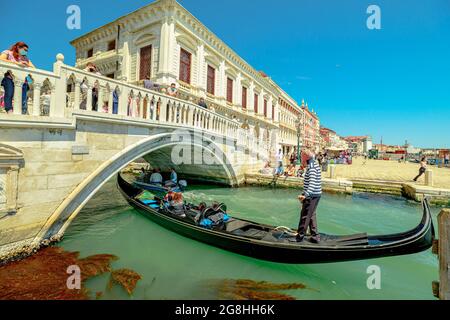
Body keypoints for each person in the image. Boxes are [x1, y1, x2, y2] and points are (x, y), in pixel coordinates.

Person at [0, 42, 35, 114]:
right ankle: (9, 110)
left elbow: (34, 68)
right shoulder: (8, 52)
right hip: (9, 78)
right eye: (24, 49)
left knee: (23, 98)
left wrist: (27, 64)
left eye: (26, 50)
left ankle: (22, 111)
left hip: (23, 81)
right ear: (18, 47)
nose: (25, 52)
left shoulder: (25, 58)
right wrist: (17, 63)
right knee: (9, 94)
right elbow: (1, 59)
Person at [296, 150, 322, 243]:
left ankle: (299, 237)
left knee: (305, 216)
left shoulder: (311, 167)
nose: (300, 159)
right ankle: (315, 236)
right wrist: (304, 193)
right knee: (311, 215)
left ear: (306, 157)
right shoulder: (313, 165)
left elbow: (312, 184)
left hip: (311, 196)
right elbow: (309, 183)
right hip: (315, 194)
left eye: (301, 157)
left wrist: (305, 195)